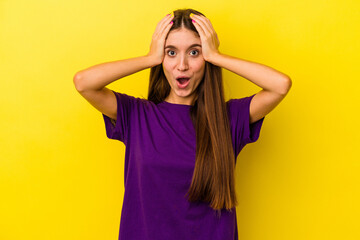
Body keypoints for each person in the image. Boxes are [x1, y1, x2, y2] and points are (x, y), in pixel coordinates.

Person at [73, 8, 291, 240]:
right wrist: (149, 58)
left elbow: (280, 85)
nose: (182, 65)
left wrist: (216, 56)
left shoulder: (227, 119)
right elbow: (84, 82)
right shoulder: (136, 115)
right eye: (171, 52)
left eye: (194, 52)